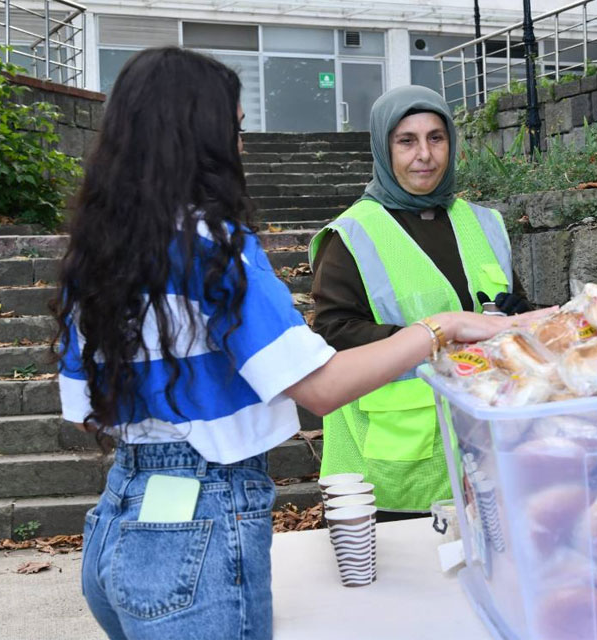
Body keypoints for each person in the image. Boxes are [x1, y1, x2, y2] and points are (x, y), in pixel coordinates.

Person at [53, 48, 546, 639]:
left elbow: (86, 414)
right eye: (233, 129)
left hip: (120, 513)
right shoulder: (215, 245)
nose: (240, 146)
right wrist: (442, 326)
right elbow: (320, 387)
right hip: (204, 518)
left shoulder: (100, 249)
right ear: (196, 136)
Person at [309, 86, 529, 518]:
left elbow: (513, 309)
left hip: (486, 448)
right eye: (406, 141)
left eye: (436, 138)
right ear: (383, 147)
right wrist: (437, 340)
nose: (424, 154)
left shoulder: (483, 223)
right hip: (393, 463)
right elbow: (334, 332)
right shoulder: (353, 233)